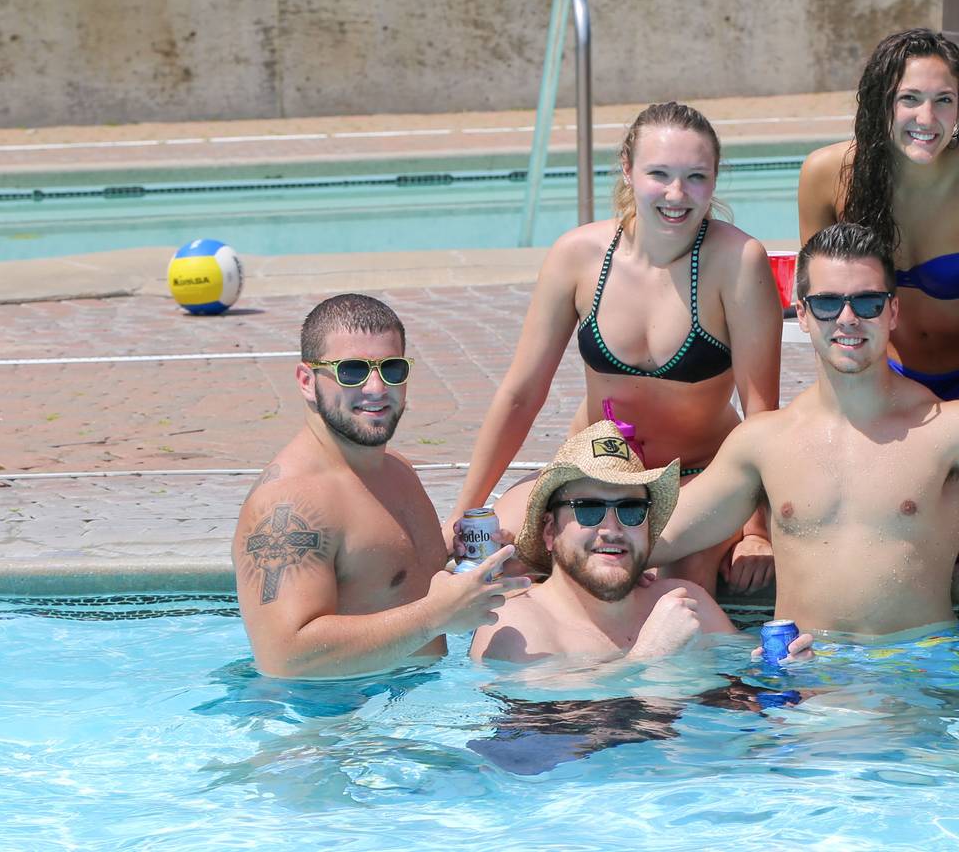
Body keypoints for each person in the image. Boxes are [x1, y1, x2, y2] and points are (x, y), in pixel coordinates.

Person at [648, 223, 959, 638]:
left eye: (867, 303)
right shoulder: (763, 443)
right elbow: (655, 535)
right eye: (827, 303)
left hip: (918, 680)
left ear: (892, 312)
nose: (847, 318)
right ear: (801, 314)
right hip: (804, 684)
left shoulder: (951, 430)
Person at [449, 102, 783, 597]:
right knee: (500, 566)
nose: (676, 194)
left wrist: (757, 532)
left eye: (695, 177)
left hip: (698, 479)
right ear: (627, 170)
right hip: (593, 474)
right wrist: (464, 511)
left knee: (676, 589)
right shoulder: (578, 257)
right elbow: (521, 394)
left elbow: (762, 416)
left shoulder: (736, 263)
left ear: (715, 179)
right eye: (659, 174)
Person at [798, 28, 959, 556]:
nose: (927, 119)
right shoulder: (826, 176)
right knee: (843, 516)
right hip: (889, 376)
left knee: (950, 538)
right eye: (910, 99)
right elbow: (822, 312)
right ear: (882, 102)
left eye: (943, 101)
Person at [233, 294, 530, 679]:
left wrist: (475, 567)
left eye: (391, 369)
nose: (376, 387)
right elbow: (286, 657)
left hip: (408, 703)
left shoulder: (396, 470)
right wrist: (435, 616)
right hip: (333, 726)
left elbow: (388, 576)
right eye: (352, 371)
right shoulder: (288, 503)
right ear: (307, 381)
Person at [470, 421, 813, 665]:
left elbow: (743, 689)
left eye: (631, 509)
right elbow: (538, 750)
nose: (612, 527)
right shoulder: (515, 626)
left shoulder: (684, 602)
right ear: (549, 530)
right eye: (588, 510)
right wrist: (649, 658)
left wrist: (779, 670)